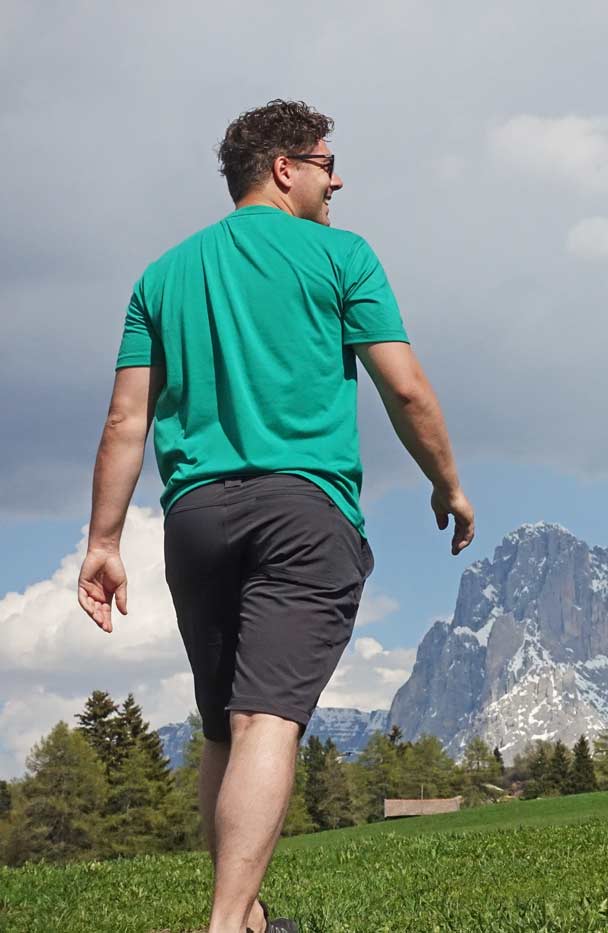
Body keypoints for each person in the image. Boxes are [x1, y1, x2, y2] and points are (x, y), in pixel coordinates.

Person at [76, 100, 476, 932]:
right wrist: (447, 483)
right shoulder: (342, 256)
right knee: (268, 717)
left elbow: (125, 420)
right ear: (285, 169)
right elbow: (404, 386)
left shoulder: (162, 275)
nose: (339, 180)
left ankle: (251, 918)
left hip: (192, 519)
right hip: (302, 509)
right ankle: (225, 926)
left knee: (223, 723)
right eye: (329, 163)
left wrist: (104, 541)